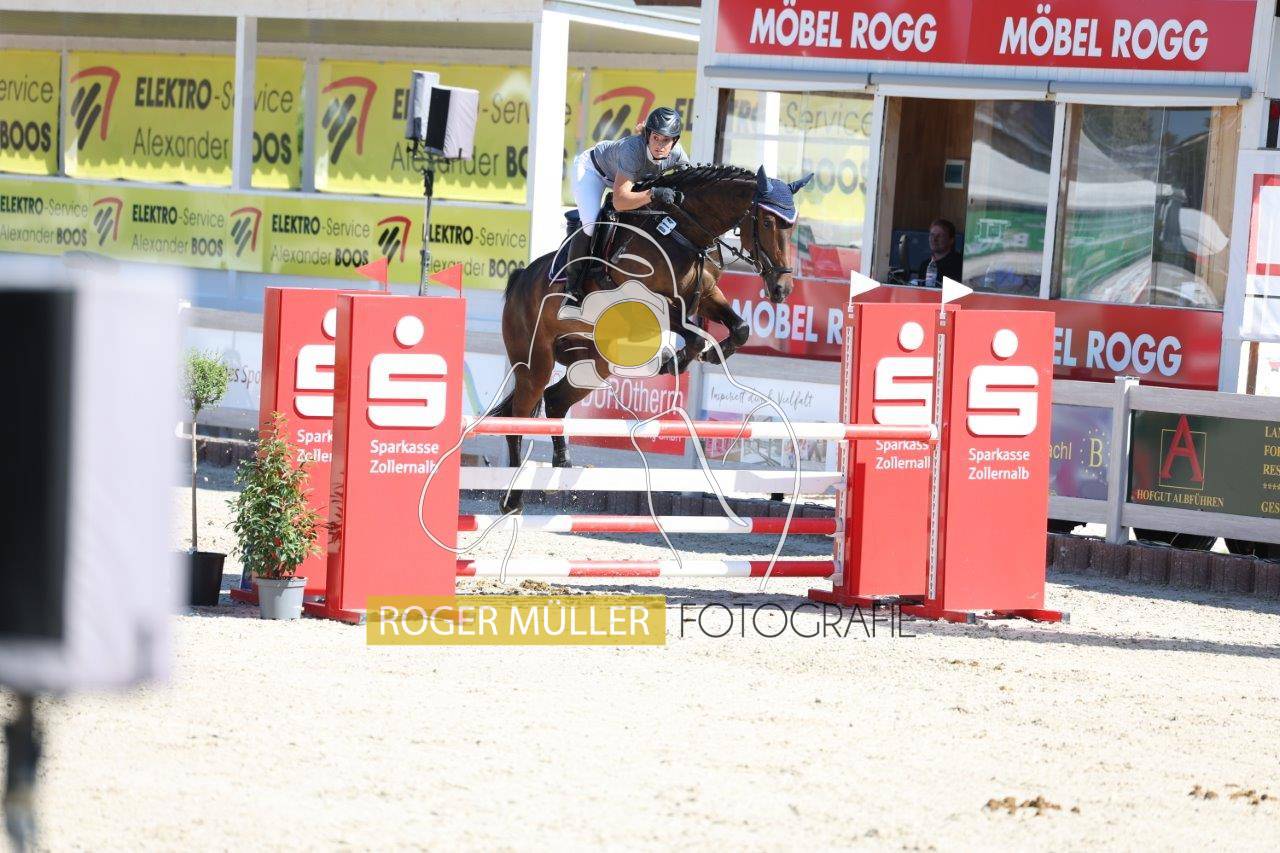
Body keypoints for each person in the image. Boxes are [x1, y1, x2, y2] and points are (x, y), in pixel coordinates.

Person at [564, 106, 691, 302]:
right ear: (648, 135)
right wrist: (653, 193)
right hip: (593, 171)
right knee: (590, 224)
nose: (660, 145)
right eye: (656, 138)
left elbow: (690, 184)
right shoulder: (633, 150)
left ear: (674, 141)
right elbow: (620, 201)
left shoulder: (677, 154)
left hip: (625, 178)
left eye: (666, 140)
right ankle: (571, 287)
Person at [915, 218, 963, 288]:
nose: (934, 239)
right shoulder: (925, 265)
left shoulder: (959, 265)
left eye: (940, 236)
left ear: (951, 240)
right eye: (932, 235)